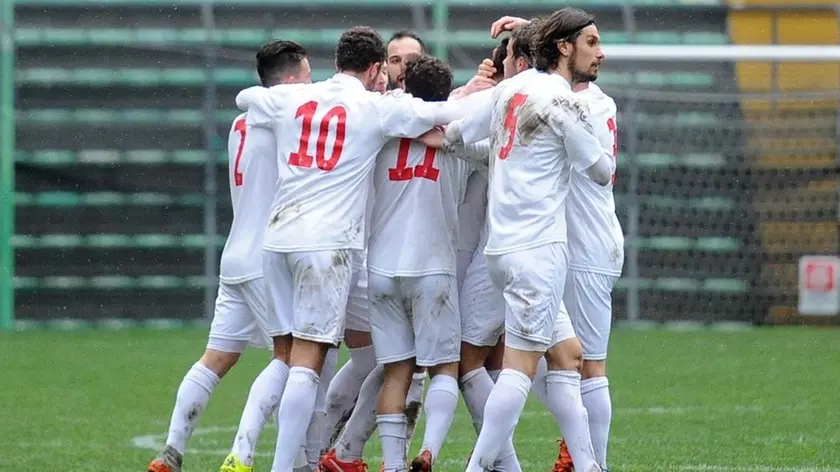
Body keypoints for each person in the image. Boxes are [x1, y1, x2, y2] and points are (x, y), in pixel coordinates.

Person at [233, 26, 482, 472]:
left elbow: (246, 99)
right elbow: (438, 113)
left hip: (278, 240)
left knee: (289, 356)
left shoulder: (292, 97)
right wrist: (482, 95)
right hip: (327, 245)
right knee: (309, 361)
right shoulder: (375, 108)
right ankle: (287, 466)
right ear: (373, 69)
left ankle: (279, 453)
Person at [421, 8, 613, 472]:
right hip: (539, 250)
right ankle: (479, 467)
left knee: (567, 354)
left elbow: (456, 134)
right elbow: (603, 171)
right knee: (520, 369)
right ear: (563, 47)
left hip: (502, 250)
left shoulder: (509, 89)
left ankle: (589, 466)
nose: (600, 52)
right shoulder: (566, 102)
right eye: (590, 42)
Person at [146, 40, 312, 472]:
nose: (313, 85)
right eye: (308, 75)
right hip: (268, 257)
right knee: (293, 356)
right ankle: (244, 452)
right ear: (291, 80)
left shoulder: (241, 122)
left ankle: (171, 450)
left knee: (216, 357)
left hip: (235, 254)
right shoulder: (284, 121)